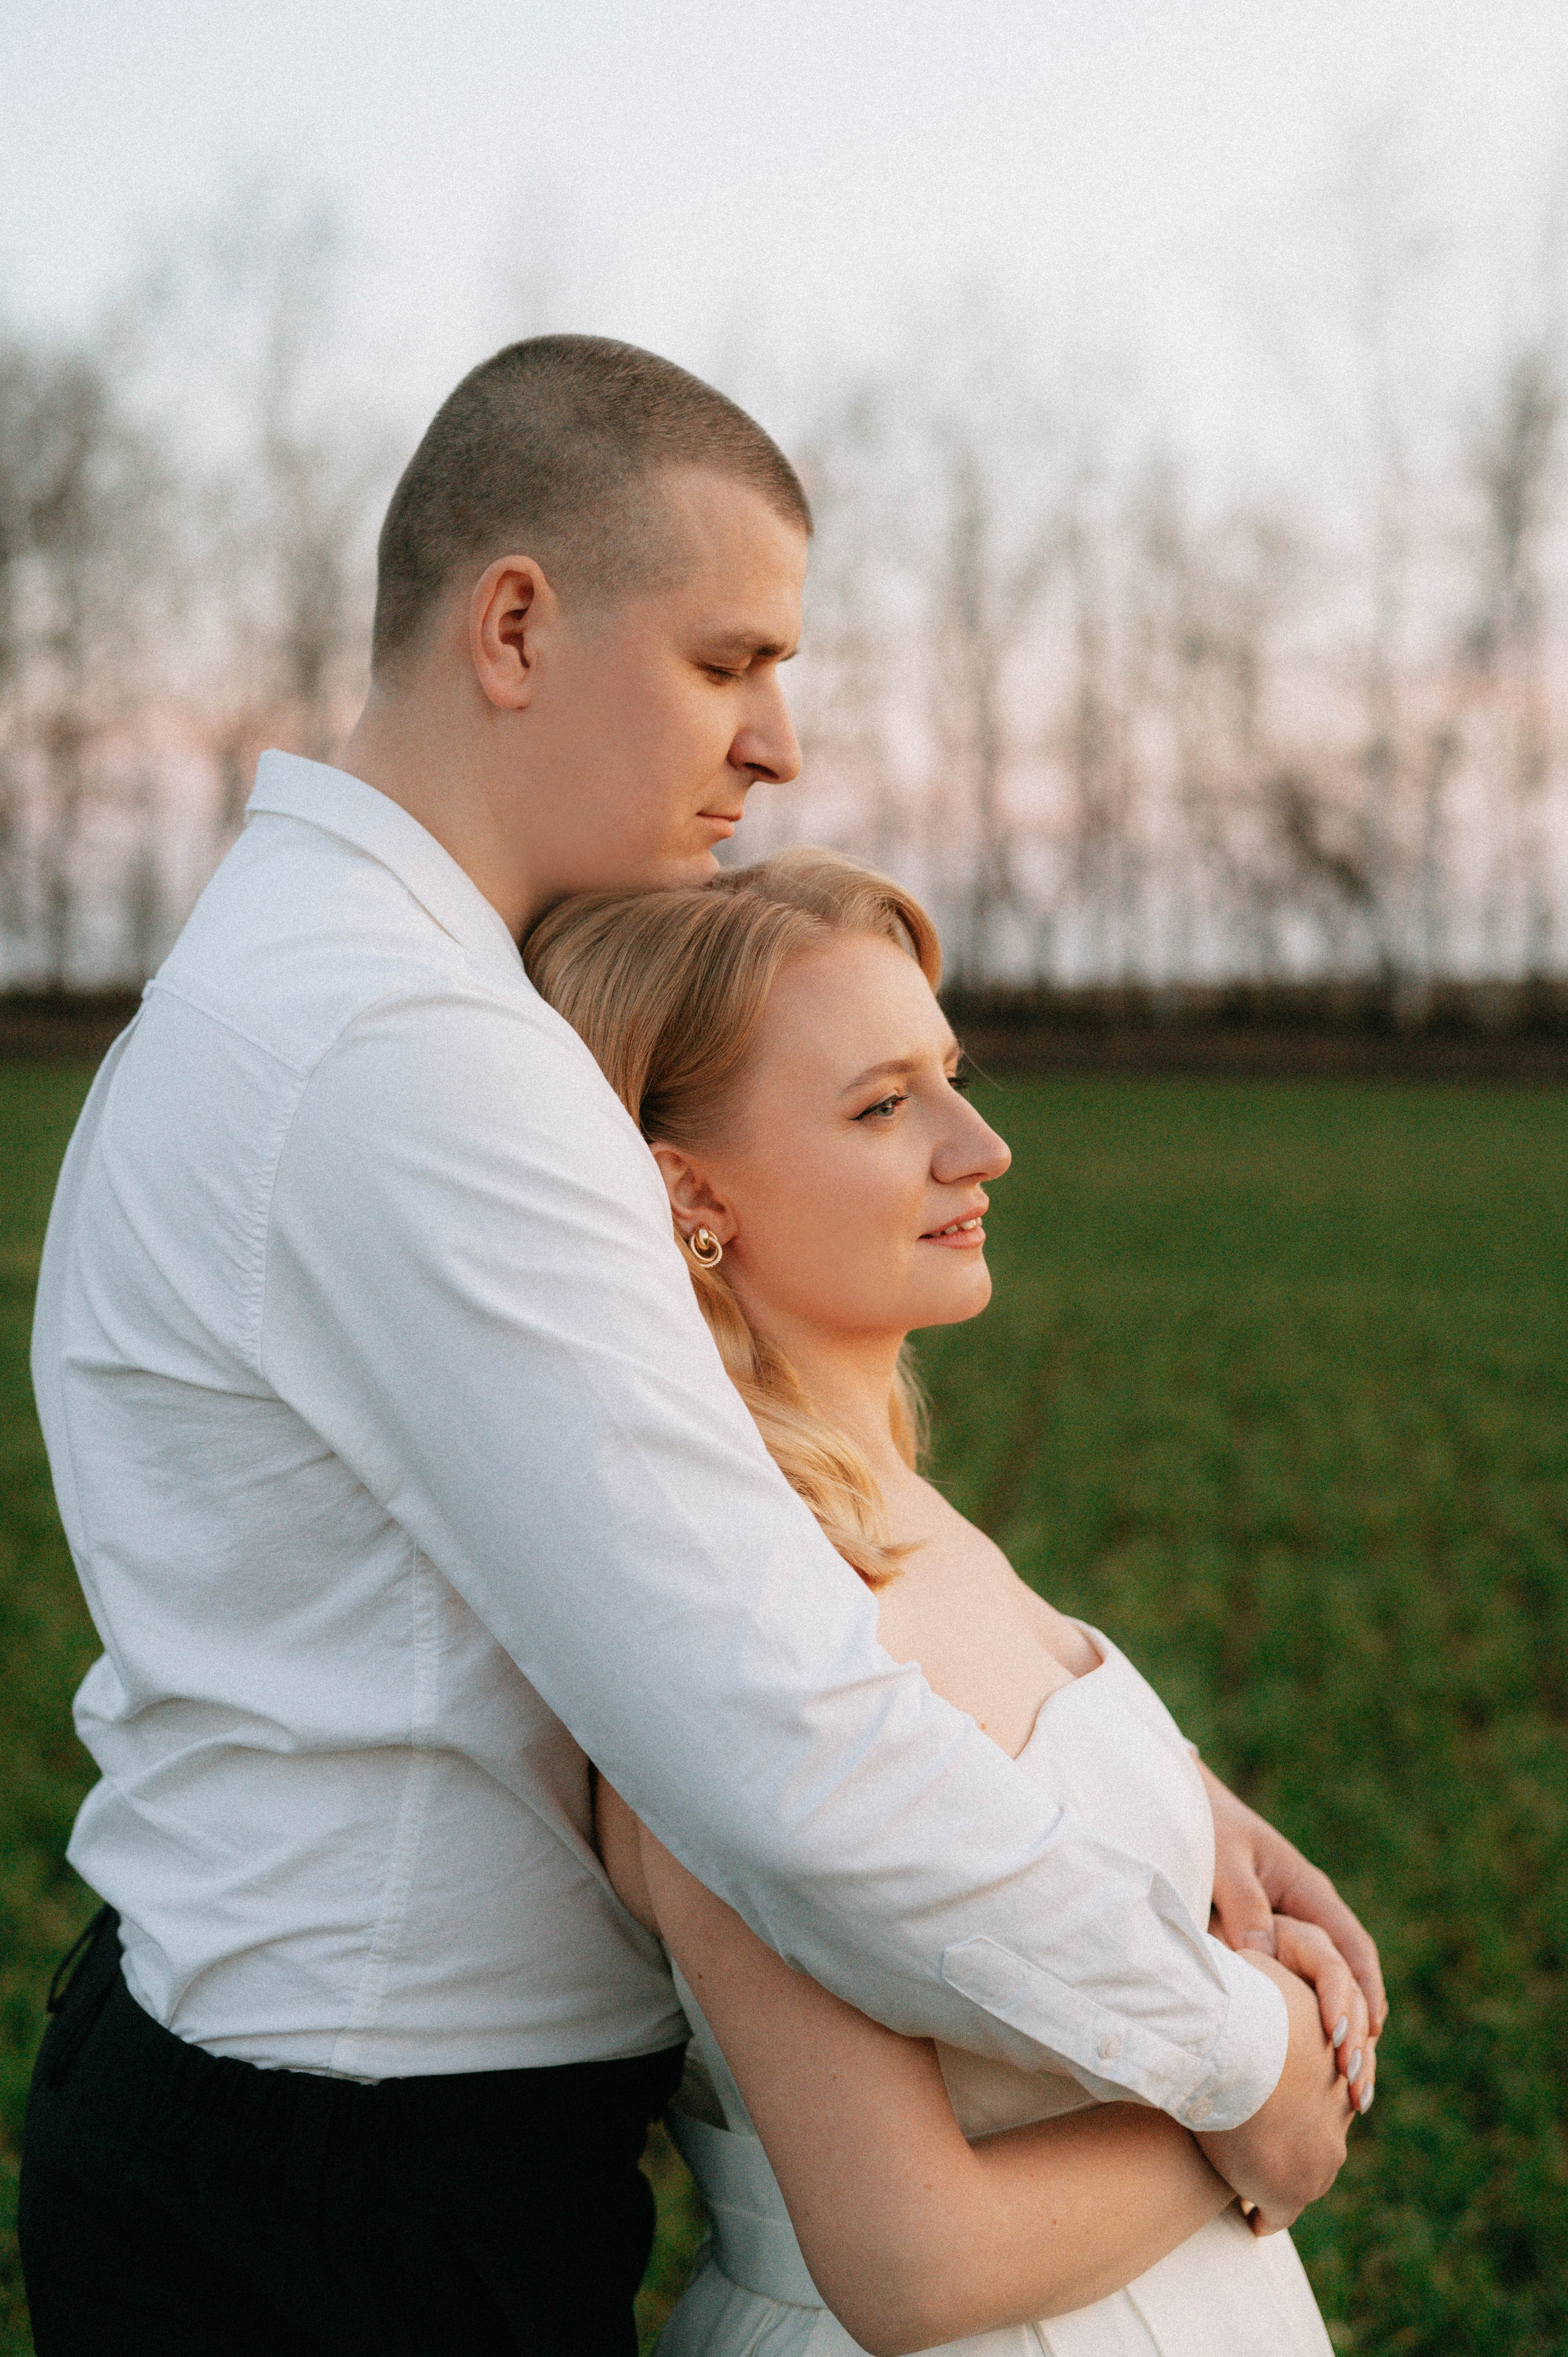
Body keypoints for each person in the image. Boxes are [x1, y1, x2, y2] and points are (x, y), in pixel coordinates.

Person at [21, 337, 1382, 2356]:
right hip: (353, 2194)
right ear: (515, 623)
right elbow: (771, 1730)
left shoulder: (307, 980)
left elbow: (815, 1558)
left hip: (289, 2119)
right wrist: (1233, 2056)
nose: (779, 745)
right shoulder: (409, 1051)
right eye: (732, 660)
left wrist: (1174, 1808)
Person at [527, 847, 1371, 2355]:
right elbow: (908, 2261)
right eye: (881, 1105)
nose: (980, 1146)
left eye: (950, 1075)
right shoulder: (734, 1625)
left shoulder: (903, 1506)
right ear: (684, 1190)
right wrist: (1264, 2114)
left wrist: (1201, 1816)